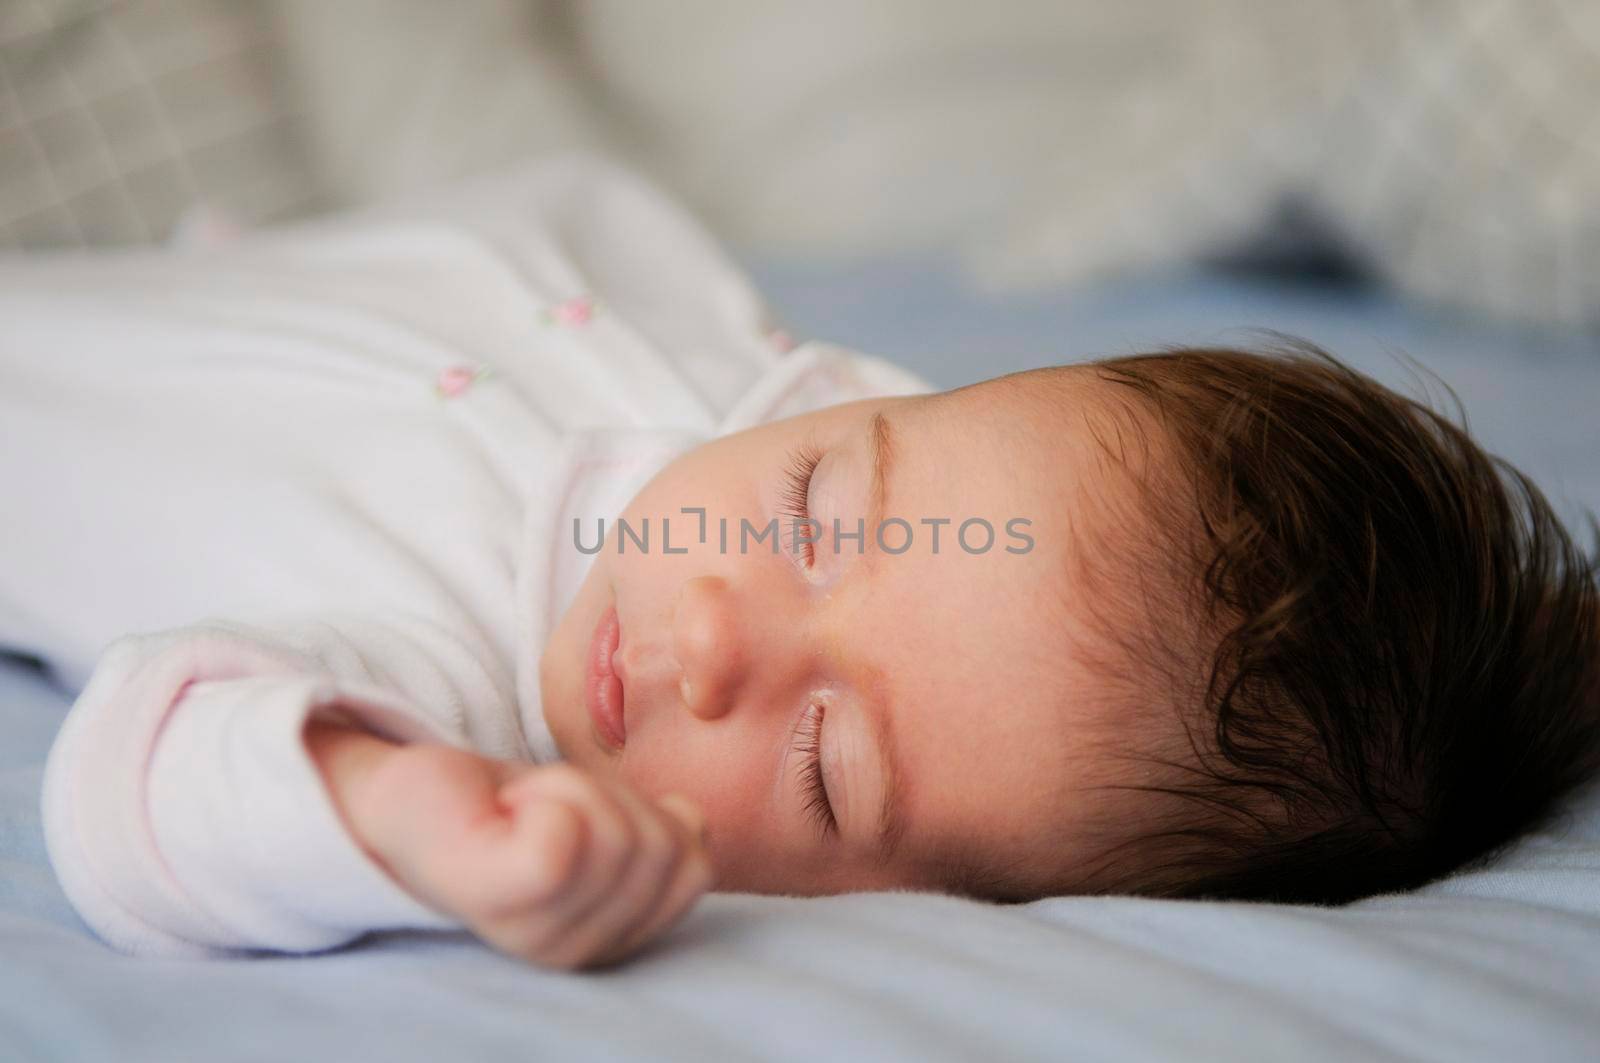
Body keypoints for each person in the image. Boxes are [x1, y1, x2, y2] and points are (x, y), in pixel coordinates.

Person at [7, 157, 1596, 972]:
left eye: (826, 765)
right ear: (857, 393)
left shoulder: (447, 685)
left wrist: (394, 814)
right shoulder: (755, 387)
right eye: (822, 518)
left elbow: (140, 785)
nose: (710, 650)